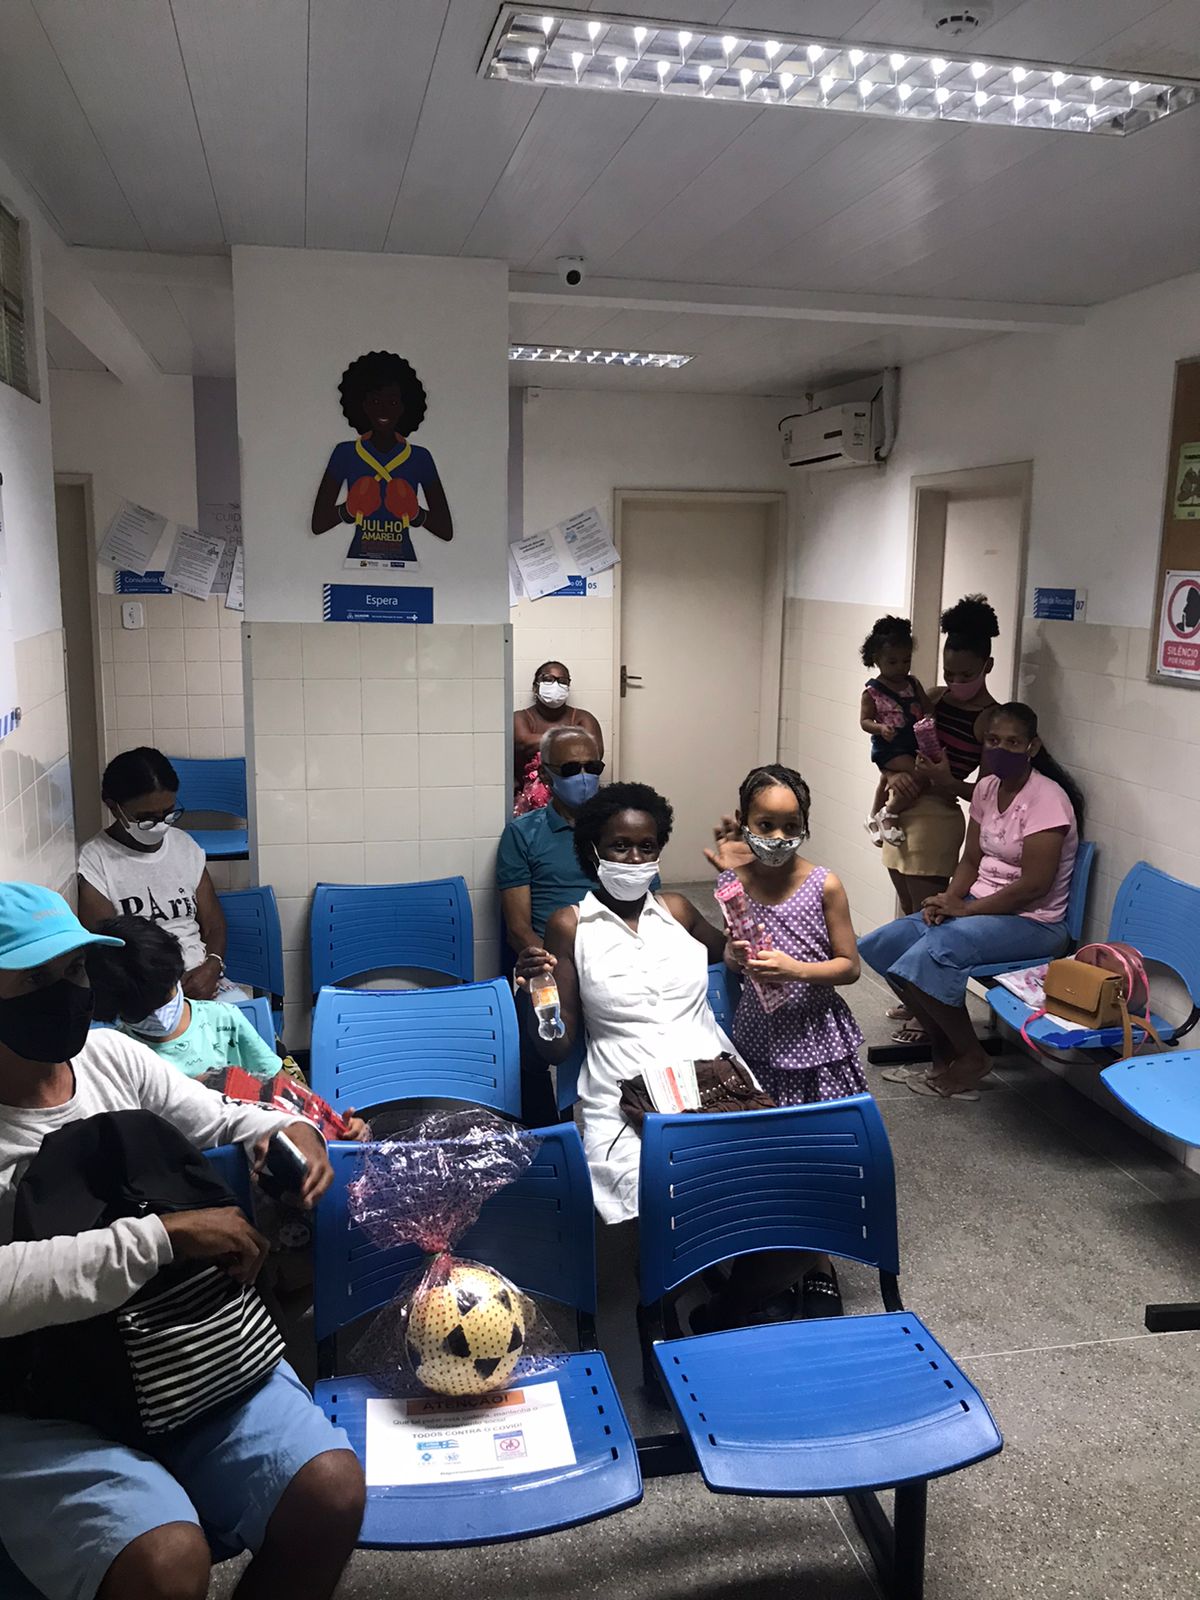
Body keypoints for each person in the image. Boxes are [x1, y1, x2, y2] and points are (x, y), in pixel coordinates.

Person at [0, 882, 365, 1600]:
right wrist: (160, 1238)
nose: (66, 992)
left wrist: (288, 1130)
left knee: (329, 1491)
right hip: (42, 1398)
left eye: (74, 969)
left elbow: (222, 1116)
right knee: (165, 1562)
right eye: (36, 980)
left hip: (183, 1354)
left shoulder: (110, 1057)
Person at [515, 784, 812, 1329]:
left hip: (718, 1082)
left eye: (646, 846)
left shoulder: (677, 909)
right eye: (620, 846)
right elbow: (555, 1047)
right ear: (592, 851)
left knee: (802, 1210)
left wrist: (743, 883)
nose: (634, 859)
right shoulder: (569, 925)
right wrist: (535, 992)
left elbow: (744, 956)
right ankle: (658, 1310)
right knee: (663, 1201)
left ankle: (720, 1313)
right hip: (625, 1091)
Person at [859, 703, 1085, 1100]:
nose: (1001, 749)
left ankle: (971, 1056)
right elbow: (970, 860)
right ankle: (942, 1049)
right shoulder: (986, 788)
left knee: (931, 952)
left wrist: (965, 909)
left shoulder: (1047, 799)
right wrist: (948, 898)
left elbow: (1034, 885)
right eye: (993, 741)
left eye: (1012, 742)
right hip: (979, 907)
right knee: (886, 944)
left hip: (1034, 922)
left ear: (1032, 747)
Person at [880, 595, 1001, 1043]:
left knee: (927, 916)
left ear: (988, 666)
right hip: (904, 810)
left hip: (939, 818)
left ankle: (930, 1014)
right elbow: (895, 750)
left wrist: (948, 781)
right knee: (908, 911)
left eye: (966, 675)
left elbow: (988, 793)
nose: (955, 682)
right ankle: (916, 998)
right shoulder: (931, 697)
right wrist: (890, 783)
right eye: (950, 673)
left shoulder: (990, 719)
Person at [497, 724, 610, 1124]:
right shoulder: (523, 835)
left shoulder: (618, 831)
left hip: (614, 956)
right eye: (571, 769)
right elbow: (518, 928)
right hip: (551, 961)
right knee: (536, 1042)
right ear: (546, 775)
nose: (584, 777)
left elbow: (649, 905)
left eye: (592, 767)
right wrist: (555, 967)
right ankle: (549, 1133)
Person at [77, 747, 242, 1004]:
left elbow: (214, 924)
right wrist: (168, 992)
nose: (160, 825)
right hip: (143, 991)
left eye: (168, 813)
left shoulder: (184, 846)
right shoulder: (95, 861)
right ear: (113, 807)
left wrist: (213, 966)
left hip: (202, 979)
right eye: (146, 819)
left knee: (244, 1019)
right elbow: (108, 950)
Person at [310, 349, 452, 570]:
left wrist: (416, 514)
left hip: (405, 563)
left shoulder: (420, 457)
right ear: (362, 405)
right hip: (358, 561)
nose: (383, 410)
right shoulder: (345, 453)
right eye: (375, 401)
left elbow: (445, 530)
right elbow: (318, 524)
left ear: (405, 407)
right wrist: (348, 509)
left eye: (393, 403)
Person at [858, 616, 932, 844]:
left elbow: (927, 706)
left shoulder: (913, 684)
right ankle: (889, 813)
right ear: (876, 659)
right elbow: (864, 721)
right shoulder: (872, 692)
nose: (901, 667)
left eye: (906, 660)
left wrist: (929, 718)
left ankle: (872, 816)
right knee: (920, 775)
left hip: (911, 742)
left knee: (887, 779)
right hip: (889, 746)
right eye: (892, 662)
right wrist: (880, 728)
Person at [512, 662, 604, 811]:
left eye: (562, 681)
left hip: (578, 799)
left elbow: (595, 752)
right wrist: (573, 740)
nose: (556, 685)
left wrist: (542, 741)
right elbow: (523, 743)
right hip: (526, 802)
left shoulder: (583, 717)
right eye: (548, 679)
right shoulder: (520, 717)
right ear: (535, 686)